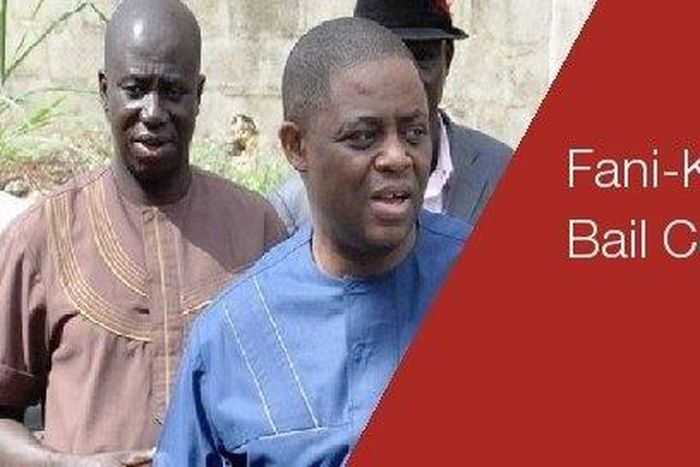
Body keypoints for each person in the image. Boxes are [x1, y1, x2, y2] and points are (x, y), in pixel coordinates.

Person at [155, 17, 470, 466]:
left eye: (414, 132)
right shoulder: (232, 335)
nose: (398, 157)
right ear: (296, 146)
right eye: (364, 136)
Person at [0, 0, 285, 464]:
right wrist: (64, 464)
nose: (153, 112)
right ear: (104, 90)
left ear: (199, 95)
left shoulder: (258, 228)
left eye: (172, 91)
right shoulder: (41, 237)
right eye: (135, 89)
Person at [268, 0, 512, 233]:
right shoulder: (293, 208)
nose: (406, 78)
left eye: (421, 57)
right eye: (383, 60)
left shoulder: (503, 170)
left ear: (447, 58)